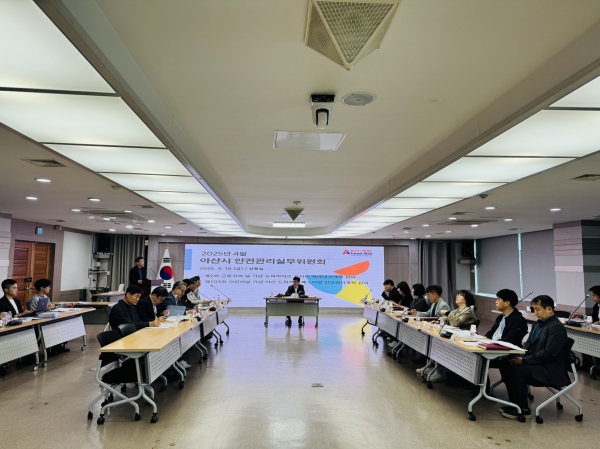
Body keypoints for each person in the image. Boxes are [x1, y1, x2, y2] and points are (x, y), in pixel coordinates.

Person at [498, 295, 570, 419]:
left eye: (537, 309)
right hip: (538, 363)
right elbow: (528, 344)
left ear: (549, 309)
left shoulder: (556, 327)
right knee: (507, 363)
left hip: (549, 369)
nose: (535, 312)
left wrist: (524, 360)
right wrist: (518, 355)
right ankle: (514, 403)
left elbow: (549, 353)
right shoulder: (538, 324)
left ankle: (523, 409)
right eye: (534, 309)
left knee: (516, 369)